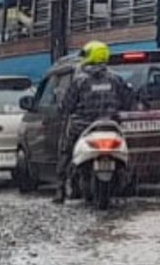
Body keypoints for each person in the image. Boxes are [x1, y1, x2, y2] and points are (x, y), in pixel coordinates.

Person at [55, 40, 134, 201]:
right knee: (127, 154)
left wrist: (62, 108)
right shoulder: (116, 79)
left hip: (82, 127)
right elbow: (128, 102)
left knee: (65, 152)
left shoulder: (79, 80)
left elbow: (67, 105)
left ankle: (60, 190)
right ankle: (130, 184)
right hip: (111, 126)